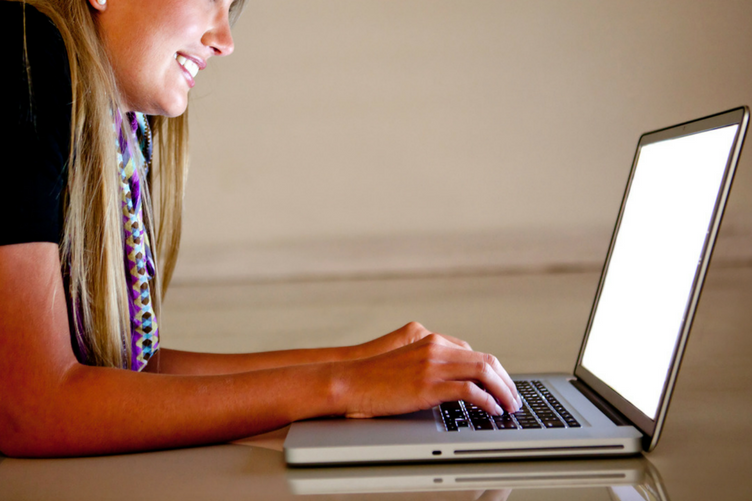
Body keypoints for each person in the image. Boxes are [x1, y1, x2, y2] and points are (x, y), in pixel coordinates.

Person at [0, 0, 521, 458]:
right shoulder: (21, 50)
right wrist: (343, 385)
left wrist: (364, 361)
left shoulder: (118, 124)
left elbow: (122, 373)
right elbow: (33, 406)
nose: (224, 40)